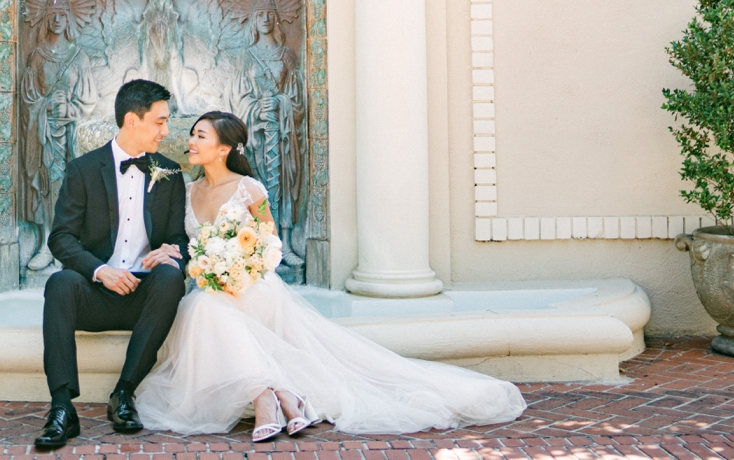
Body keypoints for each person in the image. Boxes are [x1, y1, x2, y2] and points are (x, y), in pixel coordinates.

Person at [135, 111, 527, 440]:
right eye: (191, 135)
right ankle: (272, 395)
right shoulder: (185, 192)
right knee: (205, 307)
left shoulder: (249, 189)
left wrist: (238, 266)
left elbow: (269, 246)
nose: (190, 141)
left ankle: (271, 397)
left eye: (199, 135)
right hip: (210, 288)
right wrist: (175, 253)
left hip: (253, 287)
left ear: (223, 148)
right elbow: (182, 244)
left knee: (206, 310)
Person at [35, 79, 189, 450]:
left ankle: (124, 394)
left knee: (171, 279)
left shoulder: (169, 173)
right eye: (159, 122)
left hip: (144, 297)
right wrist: (100, 271)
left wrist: (169, 251)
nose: (165, 131)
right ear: (132, 121)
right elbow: (61, 238)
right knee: (58, 284)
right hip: (96, 292)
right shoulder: (84, 169)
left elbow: (180, 239)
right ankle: (61, 408)